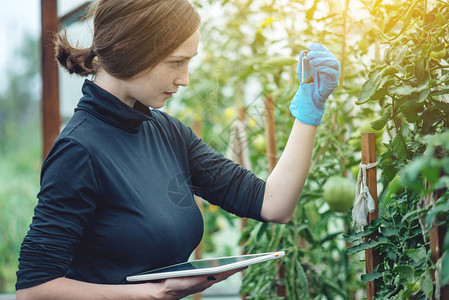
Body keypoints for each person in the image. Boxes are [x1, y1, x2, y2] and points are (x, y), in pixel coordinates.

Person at [15, 0, 340, 299]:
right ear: (130, 50)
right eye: (176, 62)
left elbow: (273, 204)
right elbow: (34, 289)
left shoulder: (167, 133)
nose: (184, 79)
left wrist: (309, 111)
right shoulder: (78, 151)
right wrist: (150, 295)